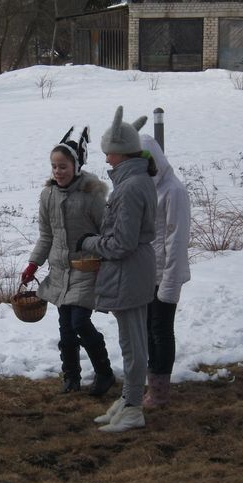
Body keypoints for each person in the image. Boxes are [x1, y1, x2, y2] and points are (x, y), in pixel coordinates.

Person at [78, 106, 157, 432]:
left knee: (133, 346)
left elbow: (121, 243)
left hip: (129, 272)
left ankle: (134, 407)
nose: (106, 158)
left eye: (109, 152)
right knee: (132, 342)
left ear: (120, 151)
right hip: (134, 271)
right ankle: (128, 400)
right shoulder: (136, 180)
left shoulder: (129, 187)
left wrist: (89, 242)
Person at [22, 127, 115, 396]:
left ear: (76, 166)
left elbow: (106, 231)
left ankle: (104, 372)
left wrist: (103, 259)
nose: (58, 171)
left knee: (79, 323)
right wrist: (33, 264)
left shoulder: (91, 195)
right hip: (60, 272)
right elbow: (46, 235)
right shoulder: (47, 195)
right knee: (65, 329)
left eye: (63, 166)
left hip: (86, 269)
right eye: (54, 166)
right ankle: (71, 377)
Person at [140, 134, 191, 408]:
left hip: (166, 275)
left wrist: (170, 284)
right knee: (149, 329)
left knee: (161, 330)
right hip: (148, 274)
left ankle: (160, 392)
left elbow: (177, 239)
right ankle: (153, 386)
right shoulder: (147, 190)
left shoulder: (174, 191)